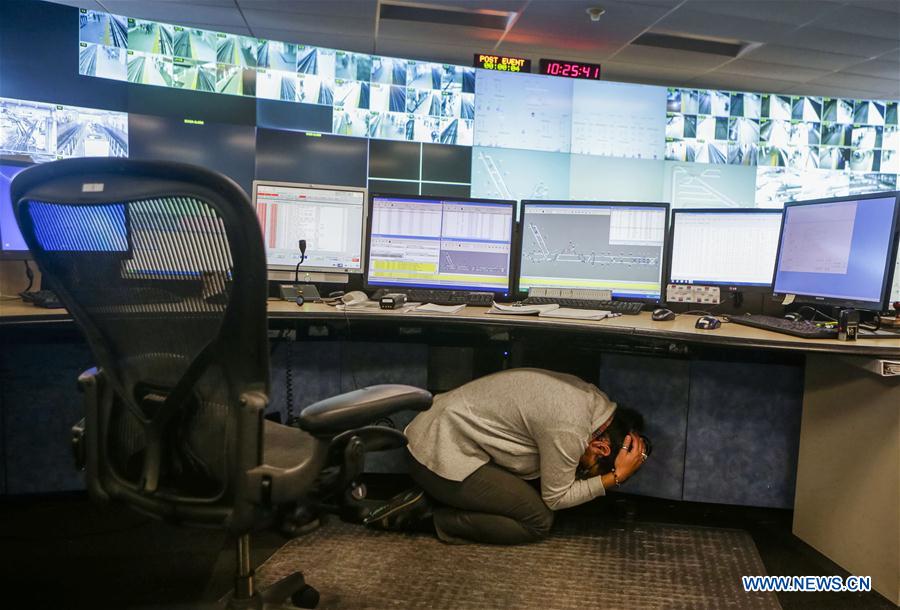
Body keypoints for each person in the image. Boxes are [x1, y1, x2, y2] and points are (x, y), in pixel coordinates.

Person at [365, 368, 648, 544]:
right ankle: (429, 516)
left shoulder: (593, 401)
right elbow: (557, 497)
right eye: (590, 469)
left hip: (450, 436)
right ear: (602, 448)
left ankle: (435, 497)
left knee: (534, 492)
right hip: (435, 451)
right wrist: (614, 478)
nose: (583, 472)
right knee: (537, 520)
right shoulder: (570, 428)